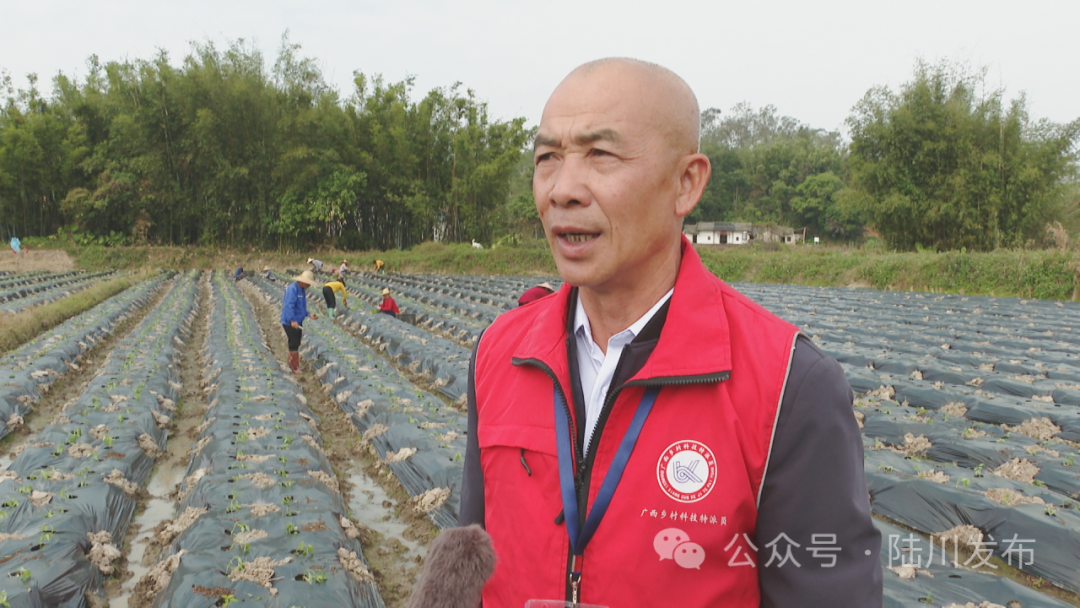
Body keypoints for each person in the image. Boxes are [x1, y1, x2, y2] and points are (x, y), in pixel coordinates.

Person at [459, 58, 881, 608]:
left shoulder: (788, 385)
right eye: (547, 158)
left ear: (686, 183)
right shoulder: (500, 352)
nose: (562, 189)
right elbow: (471, 557)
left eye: (600, 155)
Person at [280, 270, 319, 374]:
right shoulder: (292, 289)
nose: (309, 285)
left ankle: (290, 363)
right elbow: (289, 306)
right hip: (290, 322)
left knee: (296, 343)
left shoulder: (302, 290)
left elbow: (300, 307)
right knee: (294, 344)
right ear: (302, 281)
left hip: (298, 321)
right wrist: (292, 320)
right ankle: (295, 367)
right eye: (308, 283)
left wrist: (309, 314)